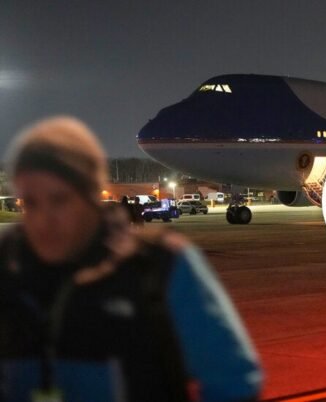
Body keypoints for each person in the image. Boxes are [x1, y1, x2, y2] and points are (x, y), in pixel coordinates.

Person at [0, 117, 262, 401]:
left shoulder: (160, 267)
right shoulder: (8, 271)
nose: (43, 221)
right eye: (30, 203)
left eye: (59, 200)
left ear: (90, 194)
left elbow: (233, 381)